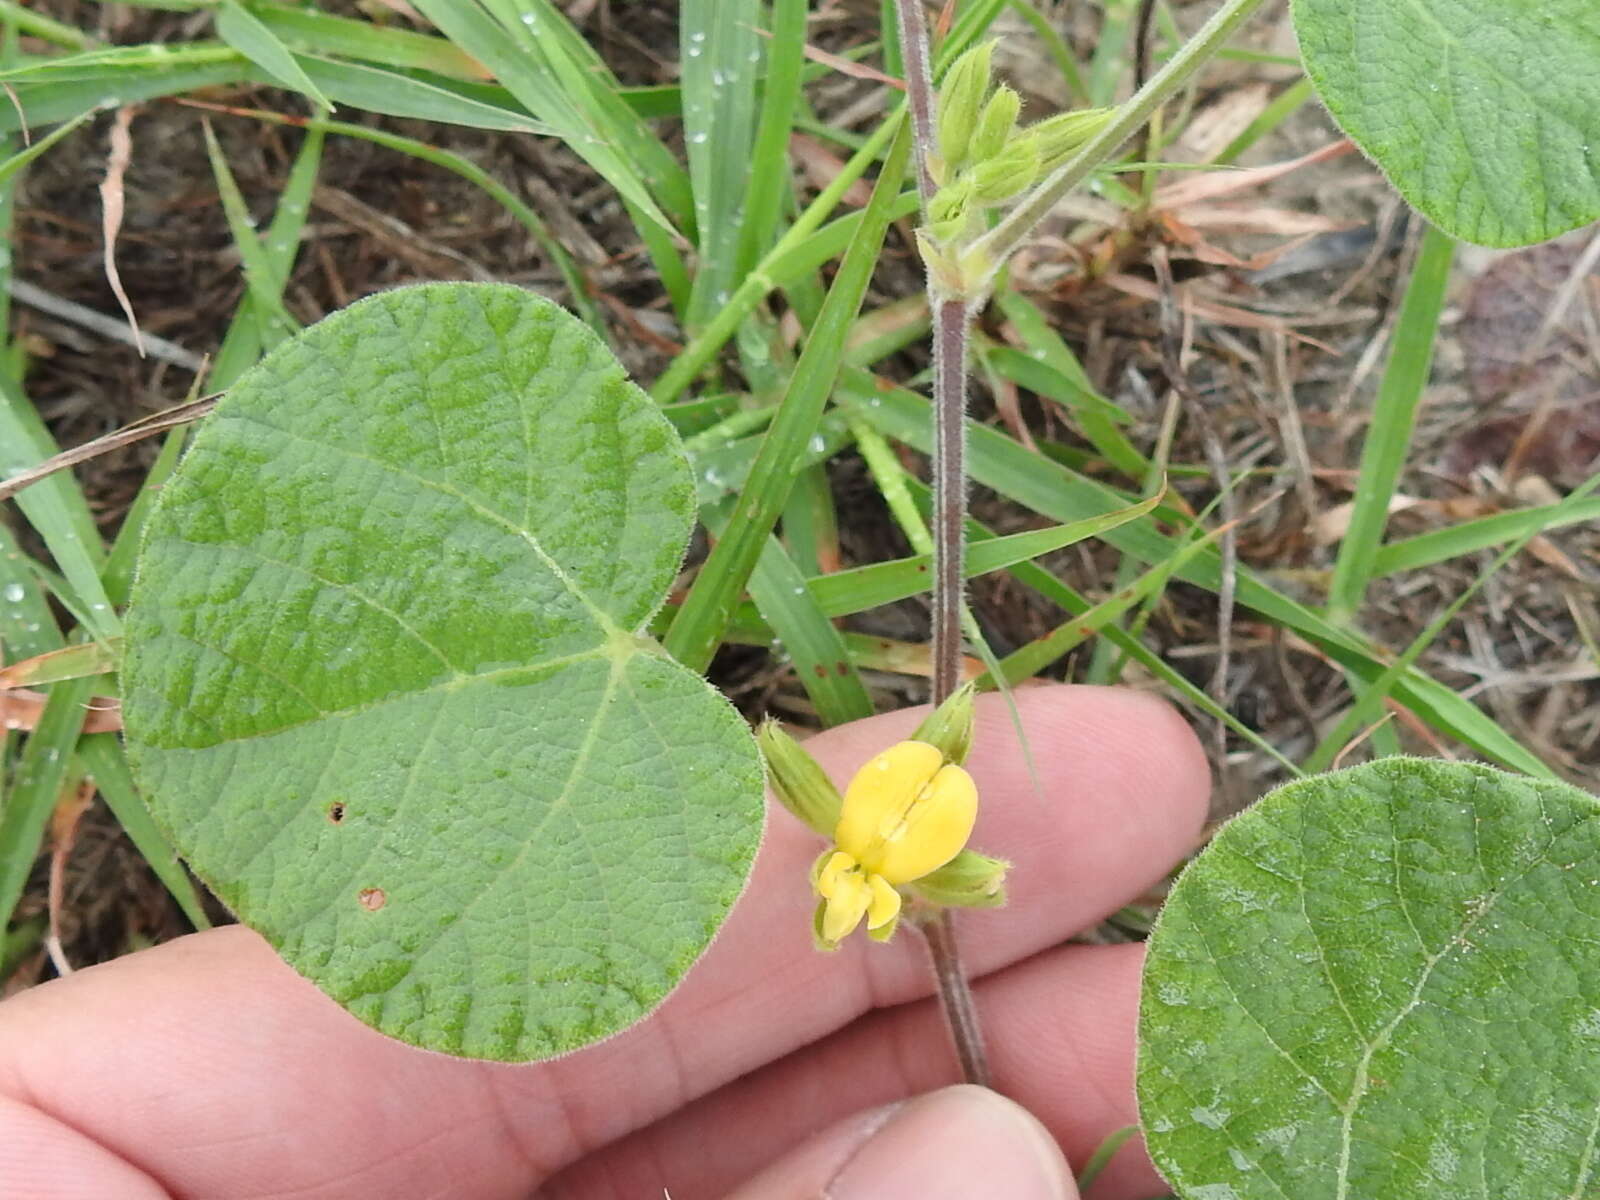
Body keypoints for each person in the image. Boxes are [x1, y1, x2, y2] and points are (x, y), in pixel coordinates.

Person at [0, 685, 1208, 1199]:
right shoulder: (857, 854)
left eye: (852, 889)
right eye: (849, 883)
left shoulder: (897, 856)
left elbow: (908, 848)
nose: (842, 901)